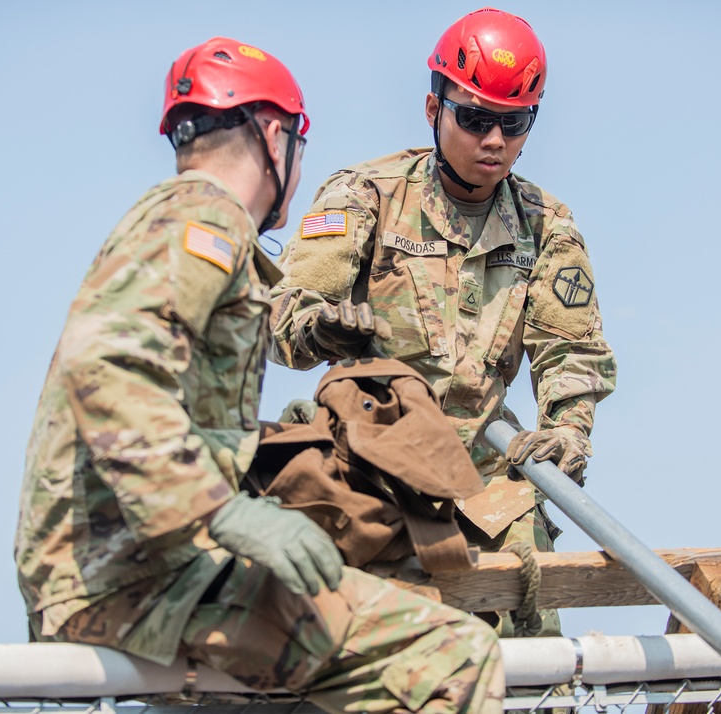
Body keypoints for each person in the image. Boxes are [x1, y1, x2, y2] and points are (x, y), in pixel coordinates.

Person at [14, 36, 504, 714]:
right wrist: (226, 513)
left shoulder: (180, 224)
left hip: (138, 573)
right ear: (276, 136)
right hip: (130, 581)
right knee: (454, 655)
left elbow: (158, 395)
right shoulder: (202, 218)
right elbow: (110, 370)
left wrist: (261, 443)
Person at [269, 8, 617, 637]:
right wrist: (321, 330)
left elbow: (572, 353)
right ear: (434, 110)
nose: (494, 141)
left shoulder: (546, 225)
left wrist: (568, 430)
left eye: (514, 124)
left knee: (532, 664)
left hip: (486, 485)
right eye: (476, 117)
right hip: (371, 473)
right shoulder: (364, 197)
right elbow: (284, 319)